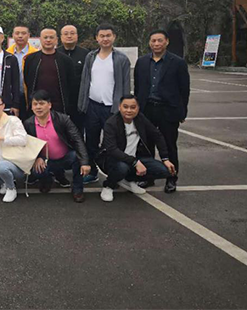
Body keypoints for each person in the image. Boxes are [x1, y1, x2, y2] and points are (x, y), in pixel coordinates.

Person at [134, 29, 190, 193]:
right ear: (149, 43)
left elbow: (184, 90)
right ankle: (148, 177)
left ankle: (171, 178)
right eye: (153, 41)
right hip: (147, 109)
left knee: (169, 146)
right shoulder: (142, 62)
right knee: (146, 146)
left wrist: (182, 112)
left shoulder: (178, 63)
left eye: (160, 40)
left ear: (166, 42)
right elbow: (138, 87)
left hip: (168, 110)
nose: (156, 44)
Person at [77, 23, 131, 184]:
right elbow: (85, 81)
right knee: (91, 141)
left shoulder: (121, 59)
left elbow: (125, 85)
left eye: (108, 35)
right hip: (92, 106)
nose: (105, 39)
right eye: (102, 36)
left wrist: (123, 108)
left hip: (112, 108)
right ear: (97, 38)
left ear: (114, 37)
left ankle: (114, 173)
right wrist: (82, 103)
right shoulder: (91, 57)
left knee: (112, 144)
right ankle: (92, 171)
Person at [99, 95, 176, 202]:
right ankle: (108, 186)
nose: (129, 110)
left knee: (164, 170)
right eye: (125, 107)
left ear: (138, 108)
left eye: (133, 107)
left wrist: (165, 158)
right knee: (122, 168)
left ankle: (129, 180)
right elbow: (112, 150)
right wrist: (135, 162)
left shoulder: (140, 119)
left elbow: (157, 135)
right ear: (119, 107)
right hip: (113, 160)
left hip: (135, 158)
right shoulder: (111, 123)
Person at [23, 90, 90, 203]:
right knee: (37, 171)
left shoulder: (62, 119)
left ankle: (77, 189)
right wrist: (37, 157)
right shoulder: (28, 124)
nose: (38, 107)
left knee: (77, 158)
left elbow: (77, 139)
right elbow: (27, 146)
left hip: (65, 157)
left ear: (49, 105)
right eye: (35, 104)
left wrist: (85, 162)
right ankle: (47, 180)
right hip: (45, 160)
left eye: (41, 103)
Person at [23, 27, 77, 118]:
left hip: (59, 105)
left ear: (56, 40)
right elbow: (28, 81)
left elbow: (71, 84)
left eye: (51, 37)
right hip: (37, 105)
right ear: (40, 39)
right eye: (45, 37)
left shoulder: (66, 60)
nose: (48, 40)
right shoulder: (30, 59)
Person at [57, 24, 89, 133]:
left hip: (78, 100)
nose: (69, 36)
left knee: (78, 130)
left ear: (77, 36)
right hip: (60, 99)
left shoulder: (86, 54)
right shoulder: (55, 53)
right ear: (61, 37)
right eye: (66, 34)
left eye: (72, 33)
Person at [6, 25, 38, 118]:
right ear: (13, 35)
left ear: (29, 35)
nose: (20, 36)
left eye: (23, 33)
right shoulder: (7, 54)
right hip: (12, 96)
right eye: (17, 33)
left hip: (29, 95)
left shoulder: (35, 54)